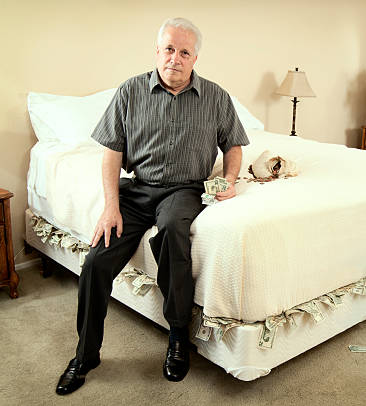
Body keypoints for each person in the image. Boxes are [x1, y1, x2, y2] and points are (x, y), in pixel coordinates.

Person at [55, 17, 249, 395]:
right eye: (169, 49)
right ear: (157, 51)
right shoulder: (130, 91)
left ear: (195, 58)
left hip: (184, 190)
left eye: (184, 52)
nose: (175, 58)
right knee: (96, 260)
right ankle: (86, 353)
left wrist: (229, 180)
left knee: (175, 234)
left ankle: (178, 337)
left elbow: (234, 145)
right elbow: (111, 152)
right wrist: (111, 206)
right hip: (138, 189)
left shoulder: (216, 97)